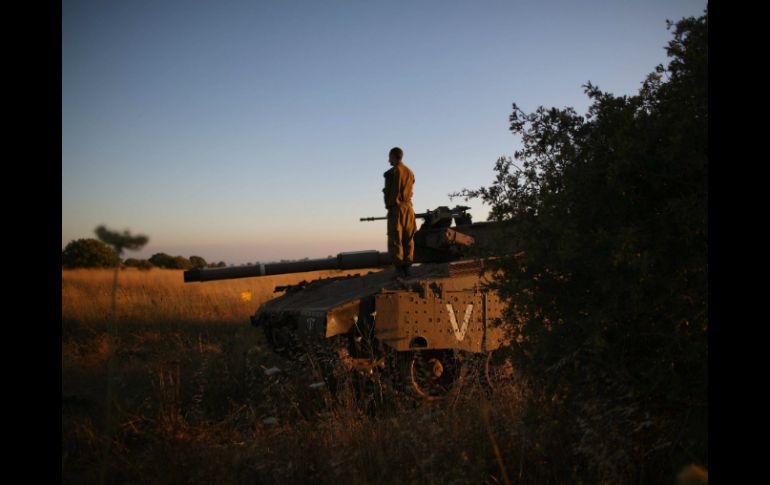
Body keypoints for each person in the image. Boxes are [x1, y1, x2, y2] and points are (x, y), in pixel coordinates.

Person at [382, 147, 416, 277]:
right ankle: (408, 267)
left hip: (396, 208)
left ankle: (399, 269)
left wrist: (389, 206)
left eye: (389, 157)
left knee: (395, 238)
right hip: (409, 208)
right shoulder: (410, 172)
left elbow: (391, 194)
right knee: (409, 237)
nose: (388, 159)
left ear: (394, 156)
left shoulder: (392, 173)